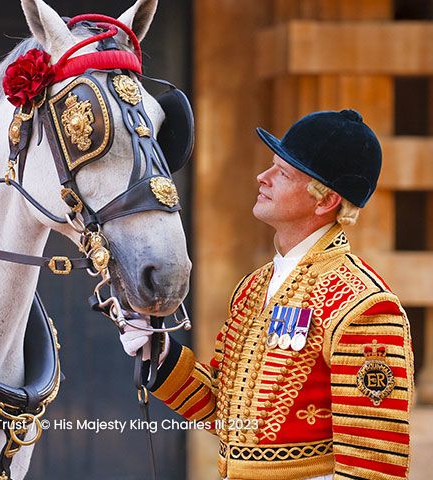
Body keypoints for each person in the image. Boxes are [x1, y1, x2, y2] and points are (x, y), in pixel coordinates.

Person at [121, 109, 414, 480]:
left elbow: (371, 466)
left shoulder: (363, 306)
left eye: (284, 172)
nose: (263, 177)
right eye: (272, 165)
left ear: (325, 201)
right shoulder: (253, 287)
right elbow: (225, 416)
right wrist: (161, 355)